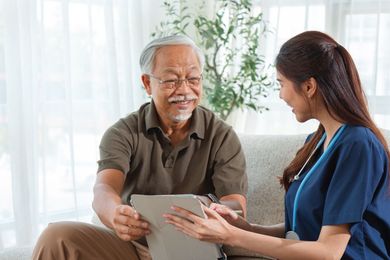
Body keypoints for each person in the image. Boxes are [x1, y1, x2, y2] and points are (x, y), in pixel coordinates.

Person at [164, 31, 390, 259]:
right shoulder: (316, 141)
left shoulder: (358, 145)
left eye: (281, 84)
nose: (281, 95)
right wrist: (243, 227)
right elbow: (302, 231)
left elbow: (329, 251)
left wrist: (230, 236)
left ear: (309, 87)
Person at [32, 35, 248, 260]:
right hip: (132, 247)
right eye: (171, 80)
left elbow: (236, 207)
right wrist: (116, 214)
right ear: (147, 83)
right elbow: (104, 190)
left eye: (193, 78)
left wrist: (207, 206)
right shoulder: (123, 132)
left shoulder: (222, 135)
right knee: (56, 236)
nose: (184, 89)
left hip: (192, 250)